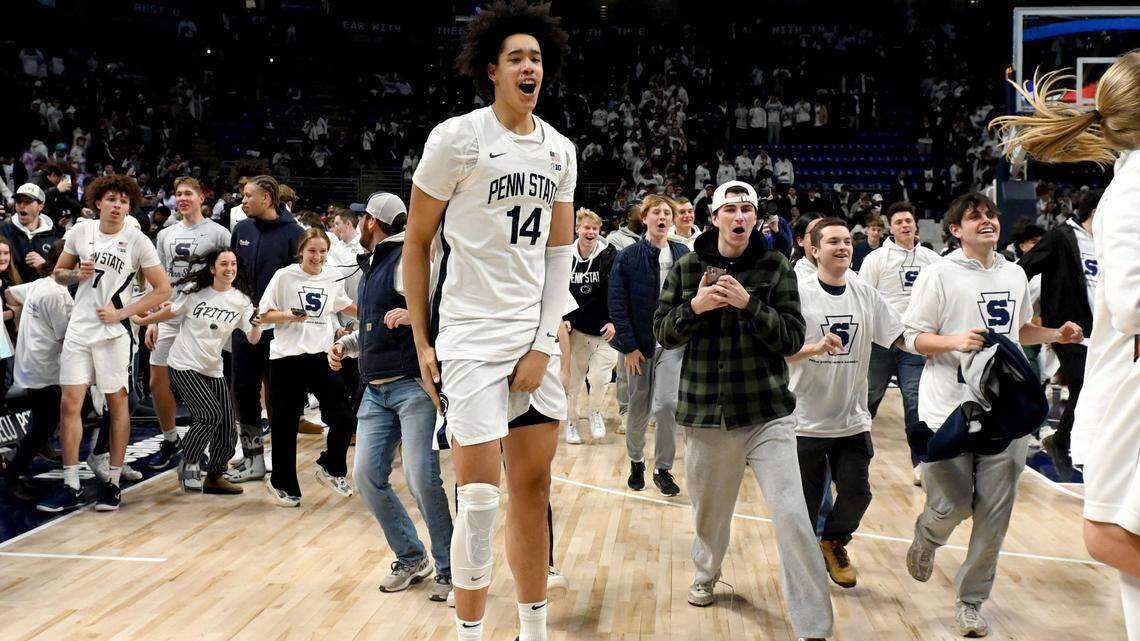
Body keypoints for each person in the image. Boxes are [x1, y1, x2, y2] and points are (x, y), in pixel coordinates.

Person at [402, 4, 575, 639]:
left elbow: (559, 256)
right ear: (491, 71)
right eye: (516, 58)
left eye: (535, 57)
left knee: (533, 491)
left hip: (532, 339)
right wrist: (424, 340)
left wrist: (540, 342)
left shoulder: (560, 150)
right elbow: (416, 244)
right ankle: (469, 634)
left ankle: (533, 630)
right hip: (469, 337)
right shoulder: (457, 139)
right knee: (478, 498)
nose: (529, 66)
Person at [992, 58, 1140, 640]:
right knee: (1110, 532)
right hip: (1122, 370)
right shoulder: (1130, 191)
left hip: (1110, 359)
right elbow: (1130, 304)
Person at [653, 180, 833, 641]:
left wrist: (749, 304)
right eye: (730, 209)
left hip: (768, 412)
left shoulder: (775, 267)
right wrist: (695, 307)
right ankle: (707, 572)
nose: (739, 217)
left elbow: (793, 337)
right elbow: (663, 334)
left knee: (793, 515)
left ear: (756, 218)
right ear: (714, 218)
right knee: (710, 519)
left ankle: (814, 627)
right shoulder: (688, 266)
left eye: (747, 209)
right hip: (707, 416)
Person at [901, 192, 1084, 637]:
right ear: (955, 231)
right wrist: (953, 342)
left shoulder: (1016, 273)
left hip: (1005, 410)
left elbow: (1018, 329)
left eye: (990, 215)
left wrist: (1055, 332)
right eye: (974, 217)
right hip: (948, 408)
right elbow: (911, 337)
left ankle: (971, 601)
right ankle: (929, 533)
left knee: (995, 513)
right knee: (954, 505)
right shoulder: (939, 274)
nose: (986, 221)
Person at [328, 191, 454, 602]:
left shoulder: (406, 258)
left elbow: (441, 307)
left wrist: (417, 318)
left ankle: (451, 568)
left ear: (370, 221)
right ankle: (411, 556)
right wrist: (347, 346)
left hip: (412, 387)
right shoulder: (375, 264)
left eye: (363, 217)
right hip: (374, 389)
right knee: (366, 477)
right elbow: (375, 326)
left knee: (422, 479)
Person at [36, 175, 171, 513]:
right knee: (70, 404)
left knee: (117, 404)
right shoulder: (81, 231)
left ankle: (111, 481)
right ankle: (70, 483)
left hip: (113, 333)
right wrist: (76, 275)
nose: (117, 206)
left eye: (124, 201)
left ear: (130, 206)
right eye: (112, 199)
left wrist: (122, 312)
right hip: (79, 329)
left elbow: (162, 289)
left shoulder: (138, 240)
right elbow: (58, 274)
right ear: (98, 202)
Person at [787, 218, 903, 589]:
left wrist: (945, 345)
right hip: (805, 419)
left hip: (852, 419)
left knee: (857, 493)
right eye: (833, 241)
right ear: (814, 250)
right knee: (804, 505)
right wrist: (815, 348)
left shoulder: (865, 292)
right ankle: (803, 569)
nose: (843, 247)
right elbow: (778, 354)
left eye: (847, 241)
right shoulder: (798, 292)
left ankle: (834, 541)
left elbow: (900, 336)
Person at [134, 249, 259, 494]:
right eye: (223, 264)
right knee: (209, 414)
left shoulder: (241, 301)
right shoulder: (195, 292)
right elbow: (171, 311)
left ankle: (214, 475)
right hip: (183, 364)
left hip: (213, 369)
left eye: (233, 264)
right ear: (212, 268)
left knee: (227, 429)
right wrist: (144, 322)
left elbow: (253, 339)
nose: (229, 268)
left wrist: (257, 326)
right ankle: (189, 462)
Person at [259, 227, 357, 506]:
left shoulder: (333, 275)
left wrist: (373, 313)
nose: (318, 256)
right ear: (301, 250)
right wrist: (288, 315)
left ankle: (332, 467)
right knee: (285, 424)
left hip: (320, 356)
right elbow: (263, 314)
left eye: (323, 251)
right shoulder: (284, 276)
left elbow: (344, 304)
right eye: (312, 251)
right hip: (286, 358)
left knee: (344, 417)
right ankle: (282, 484)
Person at [146, 177, 231, 469]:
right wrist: (153, 318)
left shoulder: (219, 233)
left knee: (202, 382)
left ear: (201, 197)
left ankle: (202, 442)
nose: (182, 198)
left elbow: (228, 273)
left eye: (188, 194)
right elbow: (157, 280)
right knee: (158, 380)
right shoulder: (165, 235)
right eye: (178, 194)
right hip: (169, 312)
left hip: (202, 315)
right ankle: (171, 440)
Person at [227, 175, 303, 483]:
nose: (242, 201)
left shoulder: (294, 234)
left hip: (280, 329)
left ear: (267, 198)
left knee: (280, 397)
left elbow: (300, 284)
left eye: (248, 196)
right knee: (244, 392)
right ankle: (253, 460)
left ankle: (283, 465)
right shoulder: (241, 229)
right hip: (245, 325)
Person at [858, 202, 941, 483]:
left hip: (915, 342)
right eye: (898, 222)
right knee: (868, 400)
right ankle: (850, 460)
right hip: (881, 342)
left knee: (915, 402)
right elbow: (863, 300)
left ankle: (922, 463)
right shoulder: (876, 259)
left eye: (908, 220)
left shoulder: (933, 260)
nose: (904, 225)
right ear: (890, 228)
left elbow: (943, 301)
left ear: (915, 224)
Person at [609, 194, 686, 496]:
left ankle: (663, 469)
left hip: (671, 344)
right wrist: (627, 346)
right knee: (638, 408)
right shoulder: (628, 257)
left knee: (667, 405)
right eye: (657, 212)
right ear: (645, 217)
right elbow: (617, 303)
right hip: (638, 346)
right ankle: (636, 460)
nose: (662, 217)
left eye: (667, 212)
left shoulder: (683, 253)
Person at [2, 240, 71, 498]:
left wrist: (22, 321)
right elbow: (66, 337)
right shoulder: (57, 293)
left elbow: (10, 293)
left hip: (30, 364)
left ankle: (23, 460)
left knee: (43, 421)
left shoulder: (40, 283)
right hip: (44, 369)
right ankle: (13, 473)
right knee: (45, 423)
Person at [563, 208, 618, 444]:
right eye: (586, 227)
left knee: (600, 379)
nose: (591, 232)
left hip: (605, 330)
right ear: (577, 229)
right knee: (573, 382)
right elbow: (557, 288)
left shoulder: (610, 255)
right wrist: (562, 316)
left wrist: (615, 320)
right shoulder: (565, 255)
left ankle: (595, 412)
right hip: (575, 330)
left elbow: (618, 291)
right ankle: (571, 422)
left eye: (595, 229)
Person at [2, 183, 60, 282]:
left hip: (41, 295)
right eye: (19, 201)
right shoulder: (3, 230)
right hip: (8, 293)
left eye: (27, 202)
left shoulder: (53, 237)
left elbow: (60, 276)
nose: (21, 205)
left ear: (40, 206)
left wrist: (44, 267)